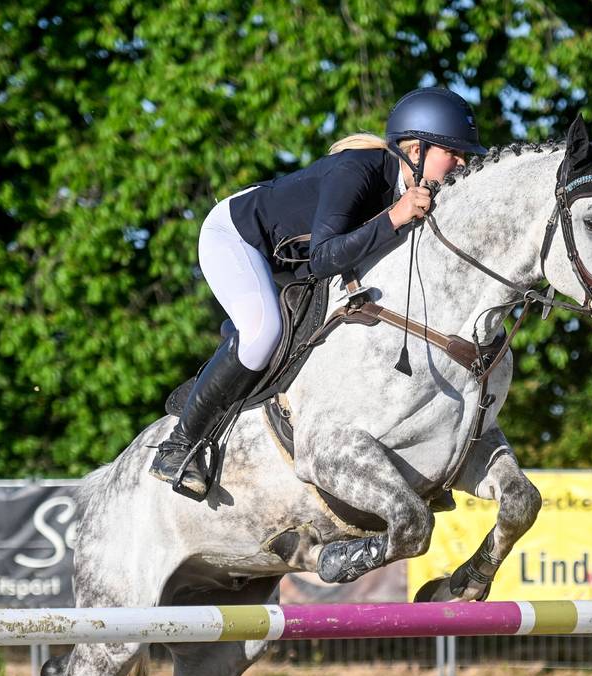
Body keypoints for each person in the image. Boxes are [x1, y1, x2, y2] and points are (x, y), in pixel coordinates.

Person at [149, 87, 487, 500]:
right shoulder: (356, 171)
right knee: (262, 333)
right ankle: (179, 445)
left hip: (293, 259)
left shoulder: (414, 191)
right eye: (453, 152)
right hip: (238, 238)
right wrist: (395, 218)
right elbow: (327, 257)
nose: (463, 162)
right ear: (415, 151)